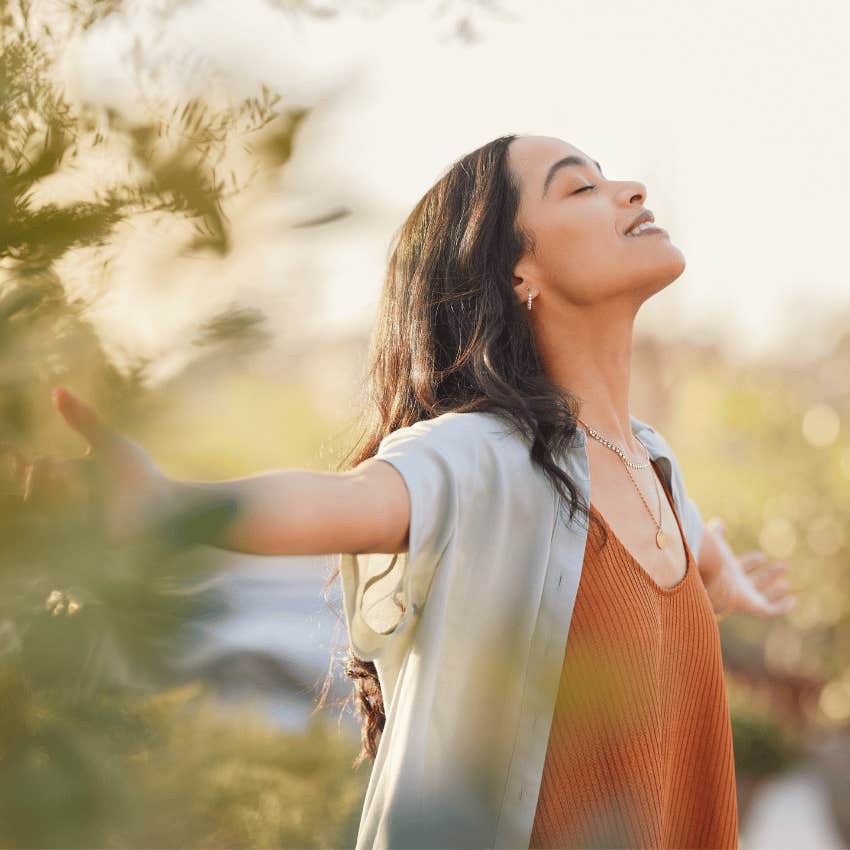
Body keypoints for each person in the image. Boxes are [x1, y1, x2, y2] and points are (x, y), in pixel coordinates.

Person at [17, 134, 796, 850]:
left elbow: (676, 546)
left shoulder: (652, 465)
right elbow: (347, 502)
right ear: (518, 271)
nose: (629, 189)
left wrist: (715, 571)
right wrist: (170, 507)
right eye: (580, 189)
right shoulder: (485, 455)